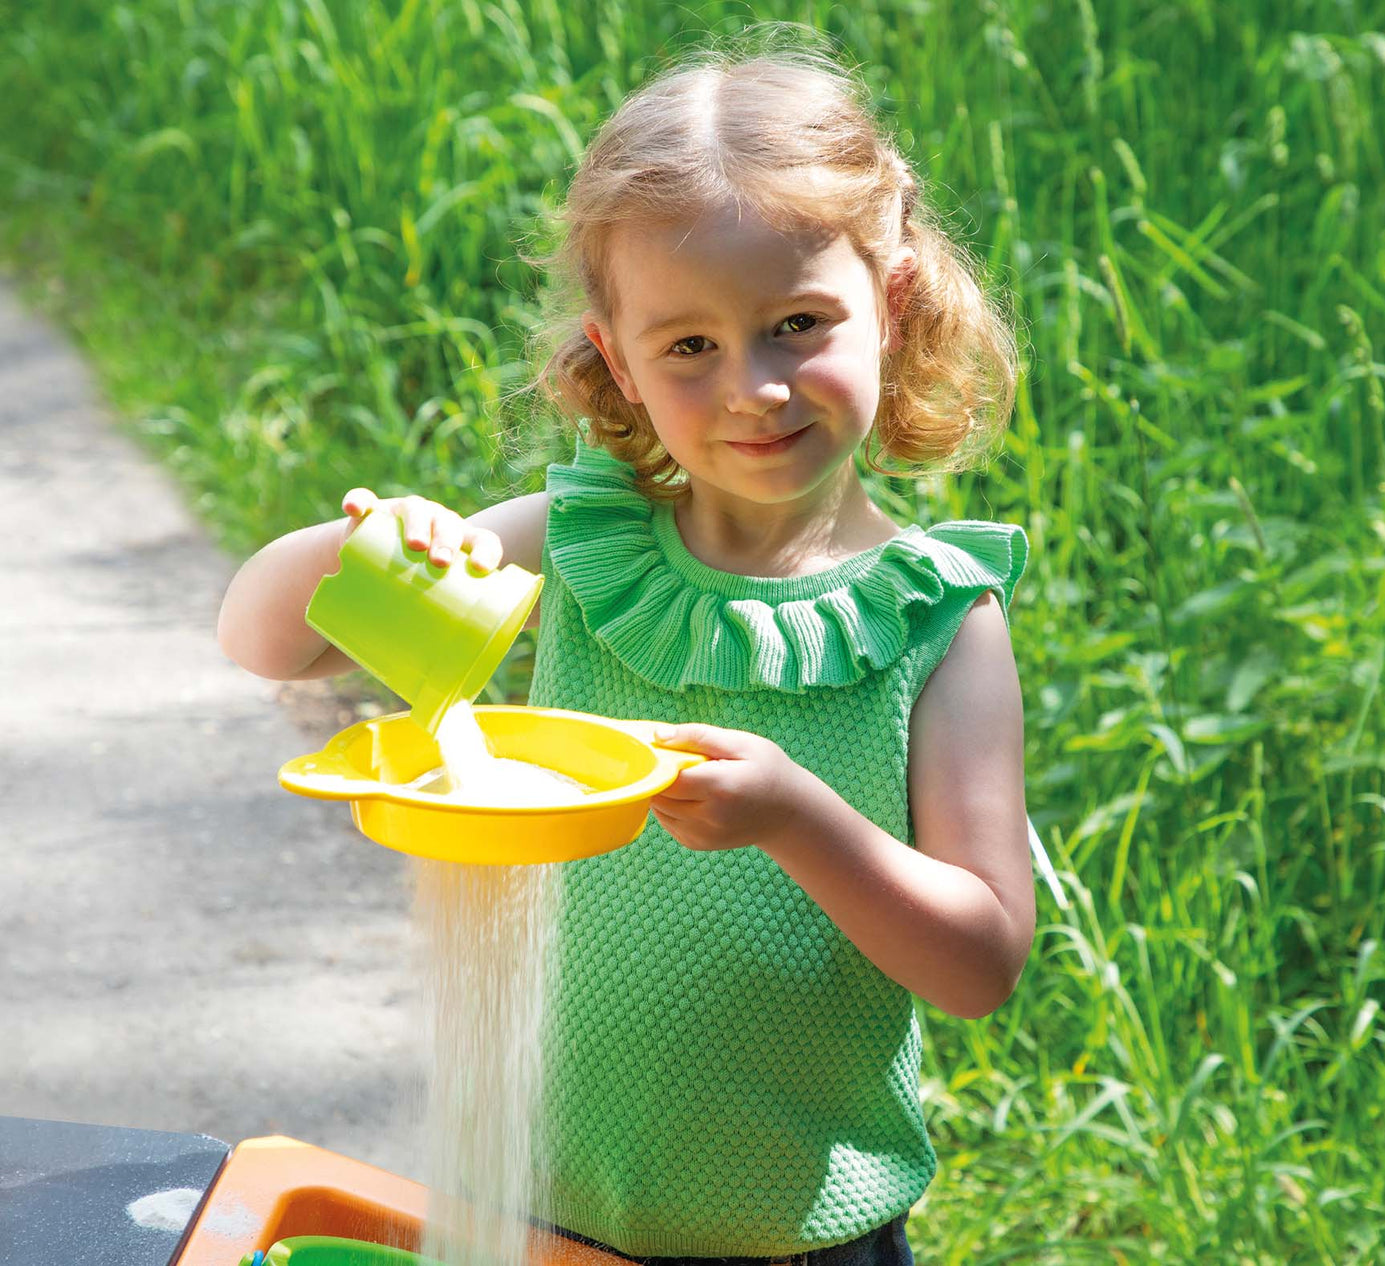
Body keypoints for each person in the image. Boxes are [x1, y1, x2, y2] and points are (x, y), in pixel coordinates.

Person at [218, 37, 1040, 1266]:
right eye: (689, 347)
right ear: (617, 359)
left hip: (802, 1236)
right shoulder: (586, 542)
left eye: (795, 325)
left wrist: (797, 819)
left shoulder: (936, 621)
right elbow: (262, 640)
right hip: (542, 1197)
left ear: (895, 303)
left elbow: (978, 963)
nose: (753, 389)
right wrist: (382, 546)